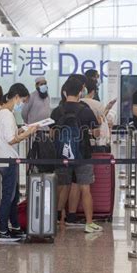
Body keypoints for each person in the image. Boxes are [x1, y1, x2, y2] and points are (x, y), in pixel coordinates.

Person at [51, 77, 103, 233]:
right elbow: (96, 134)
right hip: (83, 154)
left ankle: (57, 220)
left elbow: (52, 134)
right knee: (85, 188)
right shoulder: (86, 111)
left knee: (62, 186)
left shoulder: (57, 110)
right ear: (81, 92)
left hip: (61, 155)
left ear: (65, 92)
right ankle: (89, 223)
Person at [0, 83, 38, 242]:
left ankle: (14, 226)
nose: (21, 105)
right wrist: (28, 133)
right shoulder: (7, 114)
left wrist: (21, 130)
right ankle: (3, 230)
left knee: (13, 194)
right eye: (22, 101)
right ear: (16, 97)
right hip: (7, 158)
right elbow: (11, 139)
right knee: (9, 196)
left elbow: (7, 135)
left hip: (3, 157)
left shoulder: (1, 112)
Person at [81, 78, 116, 152]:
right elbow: (100, 121)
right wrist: (107, 109)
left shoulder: (79, 102)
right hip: (95, 140)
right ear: (93, 91)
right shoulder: (97, 104)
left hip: (80, 138)